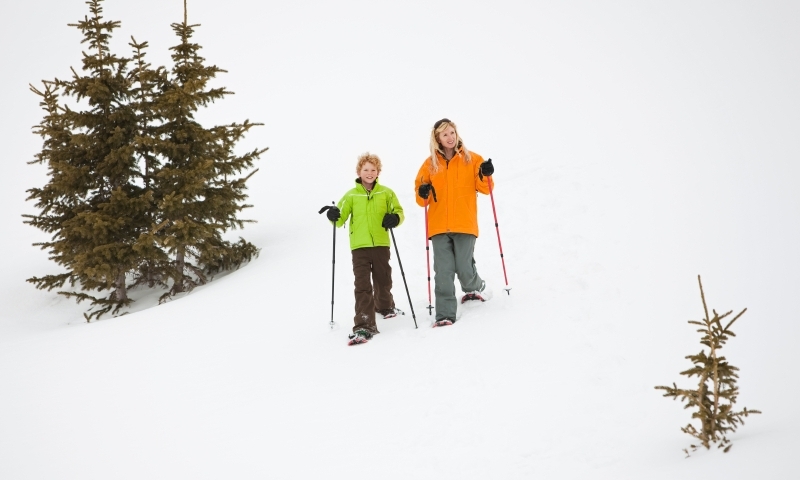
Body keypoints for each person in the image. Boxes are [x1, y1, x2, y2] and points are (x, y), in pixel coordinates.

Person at [414, 118, 495, 327]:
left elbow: (486, 188)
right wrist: (423, 192)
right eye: (445, 134)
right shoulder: (429, 164)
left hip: (465, 223)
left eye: (452, 133)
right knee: (443, 271)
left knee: (464, 268)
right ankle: (445, 314)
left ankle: (476, 286)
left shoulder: (472, 159)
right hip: (439, 226)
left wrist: (486, 173)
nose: (450, 137)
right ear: (437, 139)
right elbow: (421, 199)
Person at [325, 152, 405, 345]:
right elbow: (340, 218)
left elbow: (399, 211)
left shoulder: (386, 193)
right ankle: (364, 323)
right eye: (365, 169)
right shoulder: (351, 195)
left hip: (381, 244)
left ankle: (385, 306)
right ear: (359, 171)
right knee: (362, 285)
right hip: (359, 247)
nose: (369, 173)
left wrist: (395, 218)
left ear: (378, 172)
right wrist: (333, 215)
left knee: (383, 278)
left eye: (373, 170)